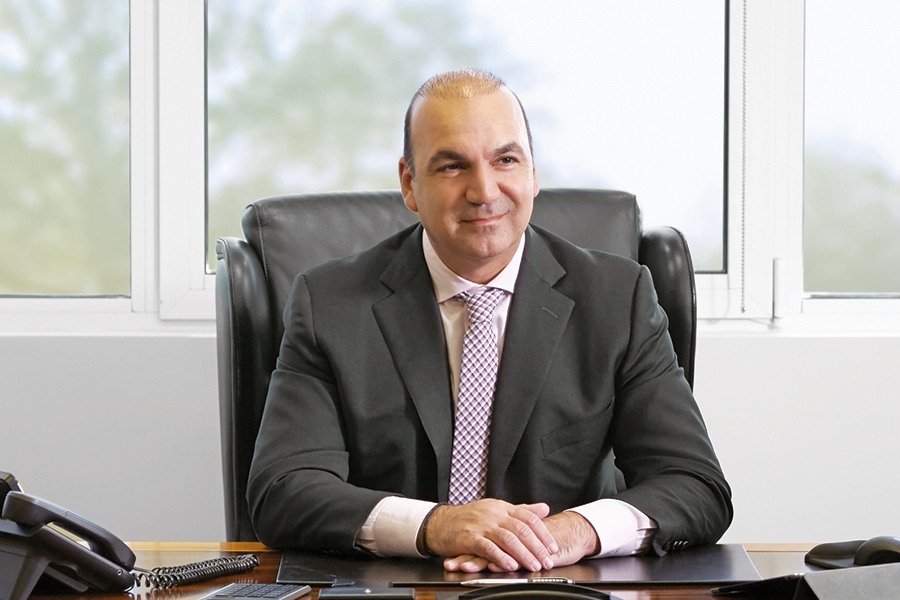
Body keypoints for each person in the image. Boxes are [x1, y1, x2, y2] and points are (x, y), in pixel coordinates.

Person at [247, 69, 732, 573]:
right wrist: (436, 526)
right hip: (396, 584)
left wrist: (573, 532)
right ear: (410, 184)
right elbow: (283, 490)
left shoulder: (615, 298)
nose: (484, 191)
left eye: (505, 160)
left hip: (558, 583)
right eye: (452, 166)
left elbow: (695, 485)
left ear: (533, 172)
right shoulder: (330, 304)